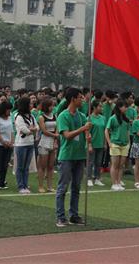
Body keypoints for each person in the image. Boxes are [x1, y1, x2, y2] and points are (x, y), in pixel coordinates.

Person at [55, 88, 92, 227]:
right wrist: (83, 129)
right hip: (67, 156)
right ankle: (60, 217)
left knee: (76, 187)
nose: (82, 100)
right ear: (73, 99)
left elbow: (86, 134)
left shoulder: (82, 116)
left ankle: (74, 215)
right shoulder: (63, 116)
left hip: (80, 155)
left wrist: (88, 138)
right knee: (63, 187)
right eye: (80, 97)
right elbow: (67, 135)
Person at [14, 97, 39, 194]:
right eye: (30, 104)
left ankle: (25, 184)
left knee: (26, 167)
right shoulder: (19, 116)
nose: (32, 105)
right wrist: (32, 129)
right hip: (21, 144)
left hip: (30, 143)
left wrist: (32, 129)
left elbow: (37, 127)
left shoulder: (31, 116)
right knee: (20, 166)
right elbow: (25, 130)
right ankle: (21, 186)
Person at [106, 100, 130, 191]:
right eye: (125, 106)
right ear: (120, 107)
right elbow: (106, 130)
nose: (126, 108)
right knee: (115, 165)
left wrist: (129, 143)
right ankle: (114, 183)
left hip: (124, 144)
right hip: (115, 143)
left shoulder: (126, 119)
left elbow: (127, 131)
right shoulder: (112, 118)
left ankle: (119, 182)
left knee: (121, 165)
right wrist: (109, 143)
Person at [37, 97, 58, 193]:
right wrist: (55, 135)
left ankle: (49, 186)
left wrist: (55, 140)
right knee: (42, 166)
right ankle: (41, 186)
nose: (52, 107)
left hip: (52, 141)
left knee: (51, 166)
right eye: (50, 106)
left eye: (53, 106)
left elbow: (57, 128)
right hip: (44, 141)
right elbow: (44, 131)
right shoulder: (41, 117)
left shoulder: (55, 116)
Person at [0, 101, 14, 190]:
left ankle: (2, 181)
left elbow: (11, 131)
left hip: (8, 145)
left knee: (4, 164)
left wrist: (11, 142)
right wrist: (4, 142)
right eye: (8, 110)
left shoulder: (9, 118)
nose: (9, 112)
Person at [87, 100, 105, 187]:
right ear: (94, 107)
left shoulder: (103, 118)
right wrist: (89, 144)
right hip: (92, 143)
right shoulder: (89, 118)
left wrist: (105, 143)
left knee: (98, 162)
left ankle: (97, 178)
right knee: (90, 162)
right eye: (100, 106)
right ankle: (89, 178)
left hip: (100, 143)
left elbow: (104, 131)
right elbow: (88, 132)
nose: (101, 108)